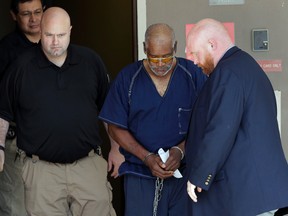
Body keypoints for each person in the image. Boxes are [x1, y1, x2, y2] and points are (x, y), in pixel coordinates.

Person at [0, 6, 122, 216]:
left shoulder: (91, 62)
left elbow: (108, 109)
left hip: (88, 166)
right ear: (41, 32)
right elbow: (3, 112)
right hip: (41, 171)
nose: (55, 41)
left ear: (70, 31)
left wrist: (117, 148)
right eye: (49, 35)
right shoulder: (21, 68)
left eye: (61, 35)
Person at [99, 23, 206, 216]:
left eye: (166, 57)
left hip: (183, 175)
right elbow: (115, 127)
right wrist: (146, 157)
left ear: (175, 48)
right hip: (140, 175)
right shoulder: (128, 78)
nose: (160, 64)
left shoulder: (192, 75)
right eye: (153, 57)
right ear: (144, 48)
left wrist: (180, 151)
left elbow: (207, 121)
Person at [185, 18, 288, 216]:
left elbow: (222, 128)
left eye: (195, 53)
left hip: (246, 194)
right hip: (258, 192)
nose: (194, 61)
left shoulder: (228, 73)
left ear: (212, 44)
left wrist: (200, 175)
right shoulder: (246, 66)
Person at [0, 0, 46, 215]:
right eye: (26, 14)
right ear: (13, 15)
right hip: (16, 141)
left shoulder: (56, 43)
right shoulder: (5, 50)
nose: (34, 19)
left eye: (38, 12)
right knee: (15, 204)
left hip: (53, 142)